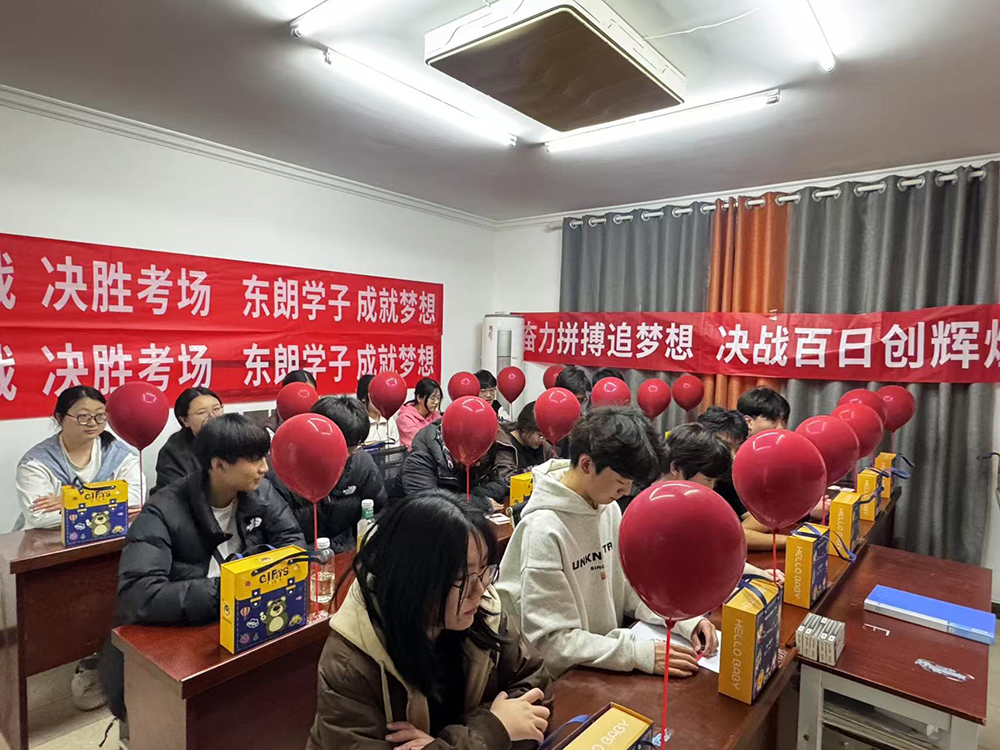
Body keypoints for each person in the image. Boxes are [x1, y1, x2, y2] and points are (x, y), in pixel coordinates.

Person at [308, 490, 550, 749]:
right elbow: (506, 726)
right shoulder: (350, 662)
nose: (480, 590)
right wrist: (493, 729)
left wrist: (447, 741)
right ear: (415, 580)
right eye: (463, 577)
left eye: (484, 570)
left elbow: (536, 691)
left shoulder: (483, 610)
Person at [101, 414, 304, 719]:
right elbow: (139, 594)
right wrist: (229, 589)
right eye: (253, 459)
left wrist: (255, 574)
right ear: (218, 465)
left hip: (247, 616)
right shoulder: (162, 510)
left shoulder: (260, 492)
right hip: (186, 631)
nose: (264, 467)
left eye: (264, 456)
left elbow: (294, 546)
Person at [496, 407, 717, 679]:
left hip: (601, 663)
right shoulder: (542, 530)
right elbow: (551, 643)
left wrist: (680, 618)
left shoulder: (607, 507)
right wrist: (635, 653)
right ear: (587, 465)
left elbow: (627, 588)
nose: (626, 491)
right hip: (563, 680)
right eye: (621, 482)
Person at [15, 385, 145, 711]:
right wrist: (107, 497)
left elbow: (133, 502)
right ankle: (78, 657)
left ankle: (100, 655)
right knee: (61, 612)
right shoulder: (37, 461)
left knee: (110, 599)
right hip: (51, 548)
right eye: (84, 417)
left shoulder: (120, 453)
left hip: (108, 545)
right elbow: (39, 515)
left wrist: (68, 498)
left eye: (100, 417)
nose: (93, 424)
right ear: (60, 417)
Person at [661, 423, 784, 583]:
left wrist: (759, 574)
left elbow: (710, 557)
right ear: (676, 469)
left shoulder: (692, 502)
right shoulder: (641, 506)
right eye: (708, 479)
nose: (711, 488)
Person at [270, 396, 387, 550]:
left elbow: (378, 511)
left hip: (347, 550)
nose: (347, 454)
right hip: (303, 557)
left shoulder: (361, 464)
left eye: (354, 445)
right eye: (341, 445)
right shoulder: (282, 472)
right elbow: (282, 537)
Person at [697, 407, 788, 551]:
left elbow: (764, 518)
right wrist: (787, 541)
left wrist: (736, 533)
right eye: (726, 447)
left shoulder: (729, 475)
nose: (733, 456)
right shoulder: (689, 477)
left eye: (737, 448)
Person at [402, 420, 517, 514]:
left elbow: (499, 485)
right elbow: (429, 504)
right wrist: (479, 503)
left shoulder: (476, 451)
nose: (478, 464)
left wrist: (467, 496)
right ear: (456, 445)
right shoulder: (419, 459)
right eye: (475, 458)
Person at [151, 387, 223, 495]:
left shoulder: (235, 439)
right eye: (202, 412)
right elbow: (174, 496)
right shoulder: (173, 452)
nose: (212, 417)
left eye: (216, 409)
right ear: (185, 420)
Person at [505, 401, 554, 473]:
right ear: (525, 429)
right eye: (540, 435)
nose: (543, 440)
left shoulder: (544, 447)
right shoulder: (505, 446)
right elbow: (507, 476)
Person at [395, 377, 442, 449]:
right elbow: (420, 443)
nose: (436, 402)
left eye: (438, 398)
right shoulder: (405, 419)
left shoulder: (436, 416)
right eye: (433, 398)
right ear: (419, 398)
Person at [358, 374, 400, 446]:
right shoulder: (358, 423)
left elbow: (396, 448)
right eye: (376, 395)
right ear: (363, 398)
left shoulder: (390, 420)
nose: (380, 400)